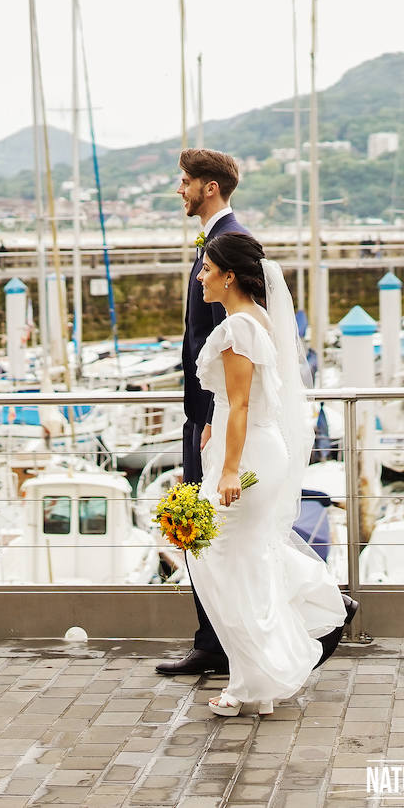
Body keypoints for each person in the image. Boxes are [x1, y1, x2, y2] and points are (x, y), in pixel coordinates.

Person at [192, 232, 355, 716]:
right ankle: (257, 684)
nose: (201, 277)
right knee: (244, 563)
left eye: (206, 269)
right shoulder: (255, 321)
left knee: (219, 561)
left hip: (245, 458)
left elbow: (241, 403)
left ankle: (256, 678)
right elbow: (243, 401)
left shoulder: (239, 328)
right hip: (249, 447)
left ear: (229, 276)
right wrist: (211, 430)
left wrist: (228, 470)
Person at [155, 149, 249, 677]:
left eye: (186, 181)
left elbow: (225, 338)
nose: (180, 190)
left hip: (210, 418)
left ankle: (216, 643)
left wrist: (211, 418)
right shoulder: (216, 240)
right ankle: (212, 638)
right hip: (204, 413)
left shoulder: (225, 245)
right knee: (207, 531)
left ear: (209, 188)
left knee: (208, 531)